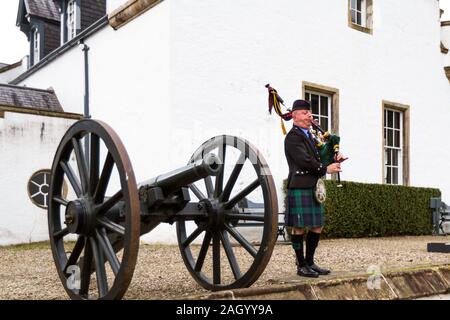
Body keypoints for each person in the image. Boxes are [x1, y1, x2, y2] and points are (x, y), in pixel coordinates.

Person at [284, 99, 344, 278]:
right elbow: (305, 161)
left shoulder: (311, 136)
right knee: (299, 227)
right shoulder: (293, 137)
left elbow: (319, 158)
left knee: (317, 225)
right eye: (304, 113)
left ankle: (310, 262)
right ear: (294, 116)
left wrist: (334, 159)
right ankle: (301, 265)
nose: (309, 116)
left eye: (310, 113)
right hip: (300, 185)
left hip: (313, 185)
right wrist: (326, 169)